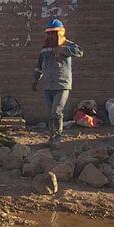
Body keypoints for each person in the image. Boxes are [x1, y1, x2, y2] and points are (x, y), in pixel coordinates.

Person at [33, 19, 83, 148]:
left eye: (54, 33)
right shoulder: (44, 49)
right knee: (51, 113)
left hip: (62, 84)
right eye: (49, 33)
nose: (51, 36)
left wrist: (63, 50)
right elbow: (39, 67)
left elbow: (80, 52)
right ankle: (51, 137)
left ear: (60, 33)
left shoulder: (67, 45)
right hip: (48, 85)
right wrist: (35, 80)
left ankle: (58, 138)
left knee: (57, 112)